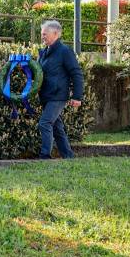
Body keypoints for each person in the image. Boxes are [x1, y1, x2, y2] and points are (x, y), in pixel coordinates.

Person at [37, 20, 83, 159]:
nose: (42, 36)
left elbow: (76, 73)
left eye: (45, 34)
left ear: (56, 33)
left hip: (57, 96)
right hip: (46, 95)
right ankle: (68, 156)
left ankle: (45, 156)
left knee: (45, 123)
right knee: (57, 128)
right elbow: (39, 73)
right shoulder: (44, 52)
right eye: (42, 34)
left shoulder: (64, 51)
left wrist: (77, 96)